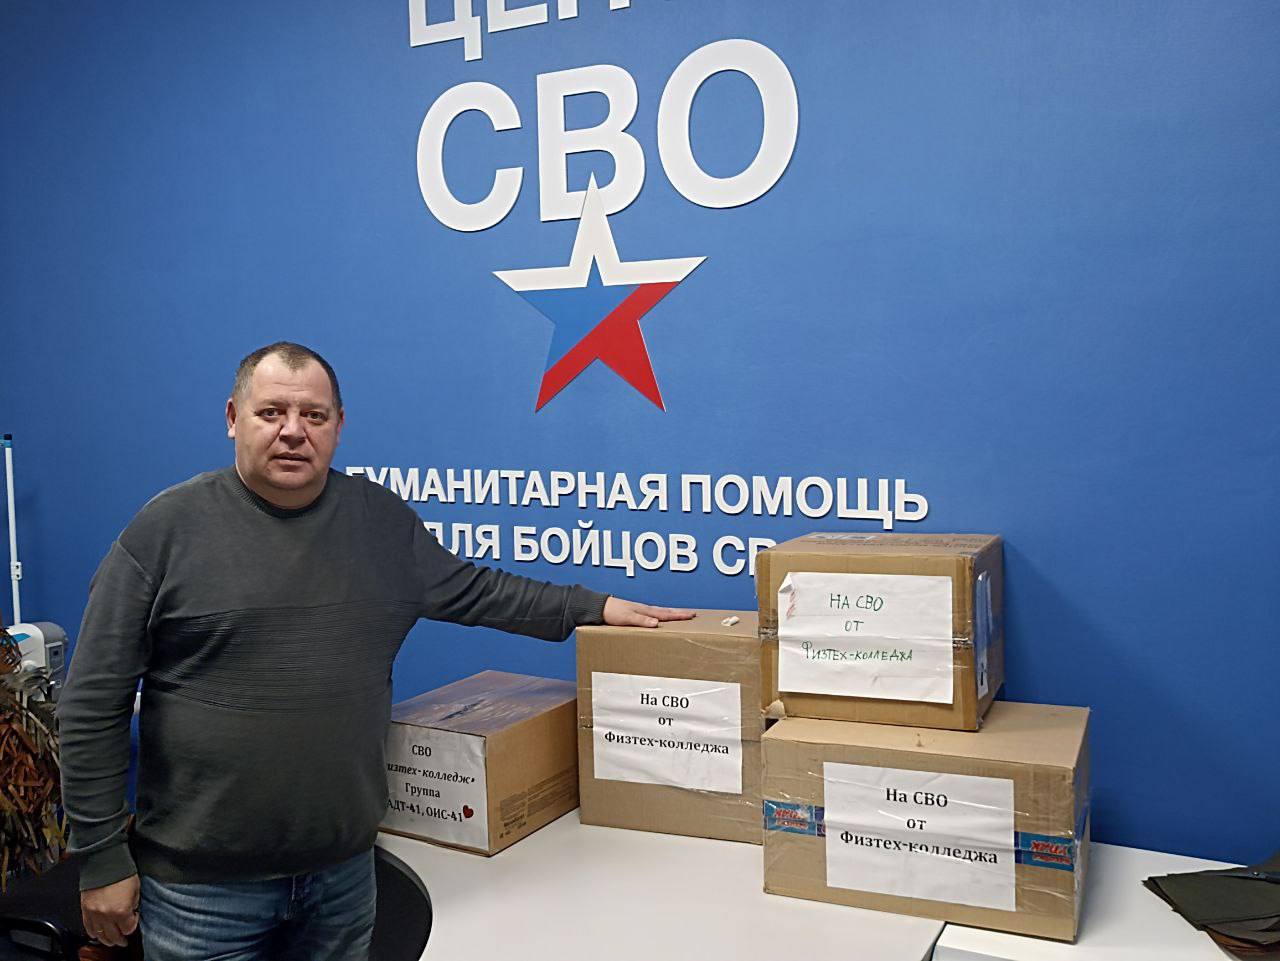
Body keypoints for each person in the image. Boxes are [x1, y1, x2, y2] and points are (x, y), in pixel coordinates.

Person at [59, 342, 693, 960]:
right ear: (232, 418)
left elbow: (479, 591)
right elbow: (91, 704)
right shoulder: (166, 530)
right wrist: (101, 858)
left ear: (338, 426)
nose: (292, 431)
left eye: (313, 415)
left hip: (342, 877)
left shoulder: (380, 523)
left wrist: (593, 607)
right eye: (271, 412)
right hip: (202, 894)